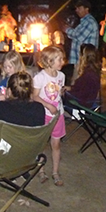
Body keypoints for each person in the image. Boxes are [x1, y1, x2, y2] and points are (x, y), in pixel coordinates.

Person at [32, 45, 67, 187]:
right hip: (44, 114)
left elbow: (58, 94)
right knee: (41, 144)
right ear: (49, 61)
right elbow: (34, 96)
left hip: (58, 115)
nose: (62, 62)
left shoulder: (61, 76)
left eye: (62, 59)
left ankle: (55, 172)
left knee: (56, 144)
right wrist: (48, 105)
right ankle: (41, 170)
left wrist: (61, 94)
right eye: (58, 60)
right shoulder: (39, 77)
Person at [63, 0, 99, 78]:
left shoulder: (89, 22)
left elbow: (79, 36)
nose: (76, 10)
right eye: (76, 8)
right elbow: (75, 35)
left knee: (79, 83)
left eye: (79, 8)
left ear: (86, 9)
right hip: (80, 60)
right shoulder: (84, 22)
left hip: (85, 61)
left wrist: (67, 30)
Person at [64, 43, 101, 109]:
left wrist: (66, 92)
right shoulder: (94, 70)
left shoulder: (88, 74)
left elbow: (81, 94)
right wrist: (70, 88)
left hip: (83, 103)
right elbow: (82, 88)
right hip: (88, 100)